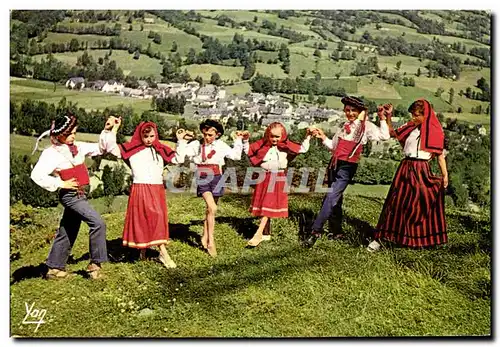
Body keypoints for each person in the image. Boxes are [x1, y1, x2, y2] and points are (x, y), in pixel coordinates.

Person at [30, 114, 120, 279]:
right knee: (98, 223)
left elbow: (101, 148)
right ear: (59, 134)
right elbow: (36, 175)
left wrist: (108, 130)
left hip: (81, 193)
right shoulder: (51, 153)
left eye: (75, 132)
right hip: (71, 195)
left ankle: (54, 268)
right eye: (69, 134)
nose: (73, 136)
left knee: (68, 228)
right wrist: (60, 183)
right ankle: (95, 266)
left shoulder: (78, 146)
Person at [302, 96, 391, 248]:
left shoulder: (366, 127)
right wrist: (322, 136)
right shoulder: (344, 126)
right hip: (334, 164)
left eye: (353, 111)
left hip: (347, 167)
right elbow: (333, 146)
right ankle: (337, 232)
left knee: (330, 197)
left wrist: (383, 118)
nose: (350, 113)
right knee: (335, 200)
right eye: (347, 110)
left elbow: (385, 136)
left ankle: (314, 232)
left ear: (360, 112)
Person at [367, 99, 448, 252]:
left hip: (421, 169)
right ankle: (381, 238)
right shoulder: (411, 127)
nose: (413, 118)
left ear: (426, 115)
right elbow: (393, 134)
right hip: (405, 168)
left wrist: (445, 175)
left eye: (416, 115)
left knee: (417, 205)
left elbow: (439, 155)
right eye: (412, 115)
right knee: (395, 203)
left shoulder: (435, 132)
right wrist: (388, 117)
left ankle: (417, 240)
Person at [107, 121, 183, 268]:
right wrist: (114, 129)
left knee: (158, 217)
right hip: (140, 187)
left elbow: (177, 159)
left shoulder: (160, 149)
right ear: (140, 135)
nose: (149, 139)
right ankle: (155, 252)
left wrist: (179, 141)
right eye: (146, 136)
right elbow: (112, 149)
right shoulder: (132, 149)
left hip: (157, 188)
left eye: (152, 136)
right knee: (144, 218)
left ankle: (153, 251)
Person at [175, 119, 248, 257]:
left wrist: (238, 140)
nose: (207, 137)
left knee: (210, 210)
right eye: (205, 134)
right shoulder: (196, 145)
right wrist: (182, 140)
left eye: (210, 135)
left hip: (217, 177)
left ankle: (204, 235)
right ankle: (211, 241)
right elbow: (181, 156)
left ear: (217, 134)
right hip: (203, 177)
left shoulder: (220, 145)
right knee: (213, 208)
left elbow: (236, 155)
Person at [246, 122, 311, 247]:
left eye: (277, 137)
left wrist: (308, 136)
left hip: (277, 177)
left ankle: (258, 234)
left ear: (283, 136)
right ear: (268, 135)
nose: (274, 139)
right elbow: (249, 150)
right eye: (272, 136)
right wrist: (244, 140)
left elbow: (302, 148)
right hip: (264, 176)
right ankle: (266, 233)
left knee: (268, 203)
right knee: (264, 203)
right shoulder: (262, 146)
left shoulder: (285, 147)